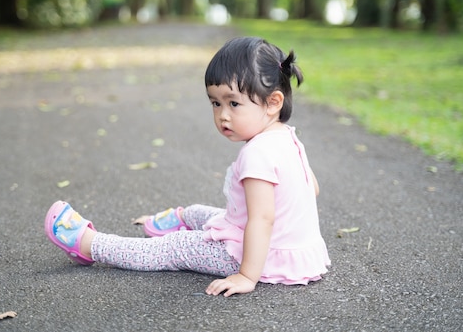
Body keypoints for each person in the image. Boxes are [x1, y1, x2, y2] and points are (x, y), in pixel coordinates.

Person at [45, 36, 330, 297]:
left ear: (272, 103)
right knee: (201, 213)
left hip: (262, 254)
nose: (223, 116)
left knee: (175, 248)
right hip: (298, 249)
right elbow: (311, 189)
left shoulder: (258, 154)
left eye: (234, 103)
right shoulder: (287, 137)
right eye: (216, 104)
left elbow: (262, 220)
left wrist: (246, 275)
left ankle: (90, 245)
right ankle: (178, 219)